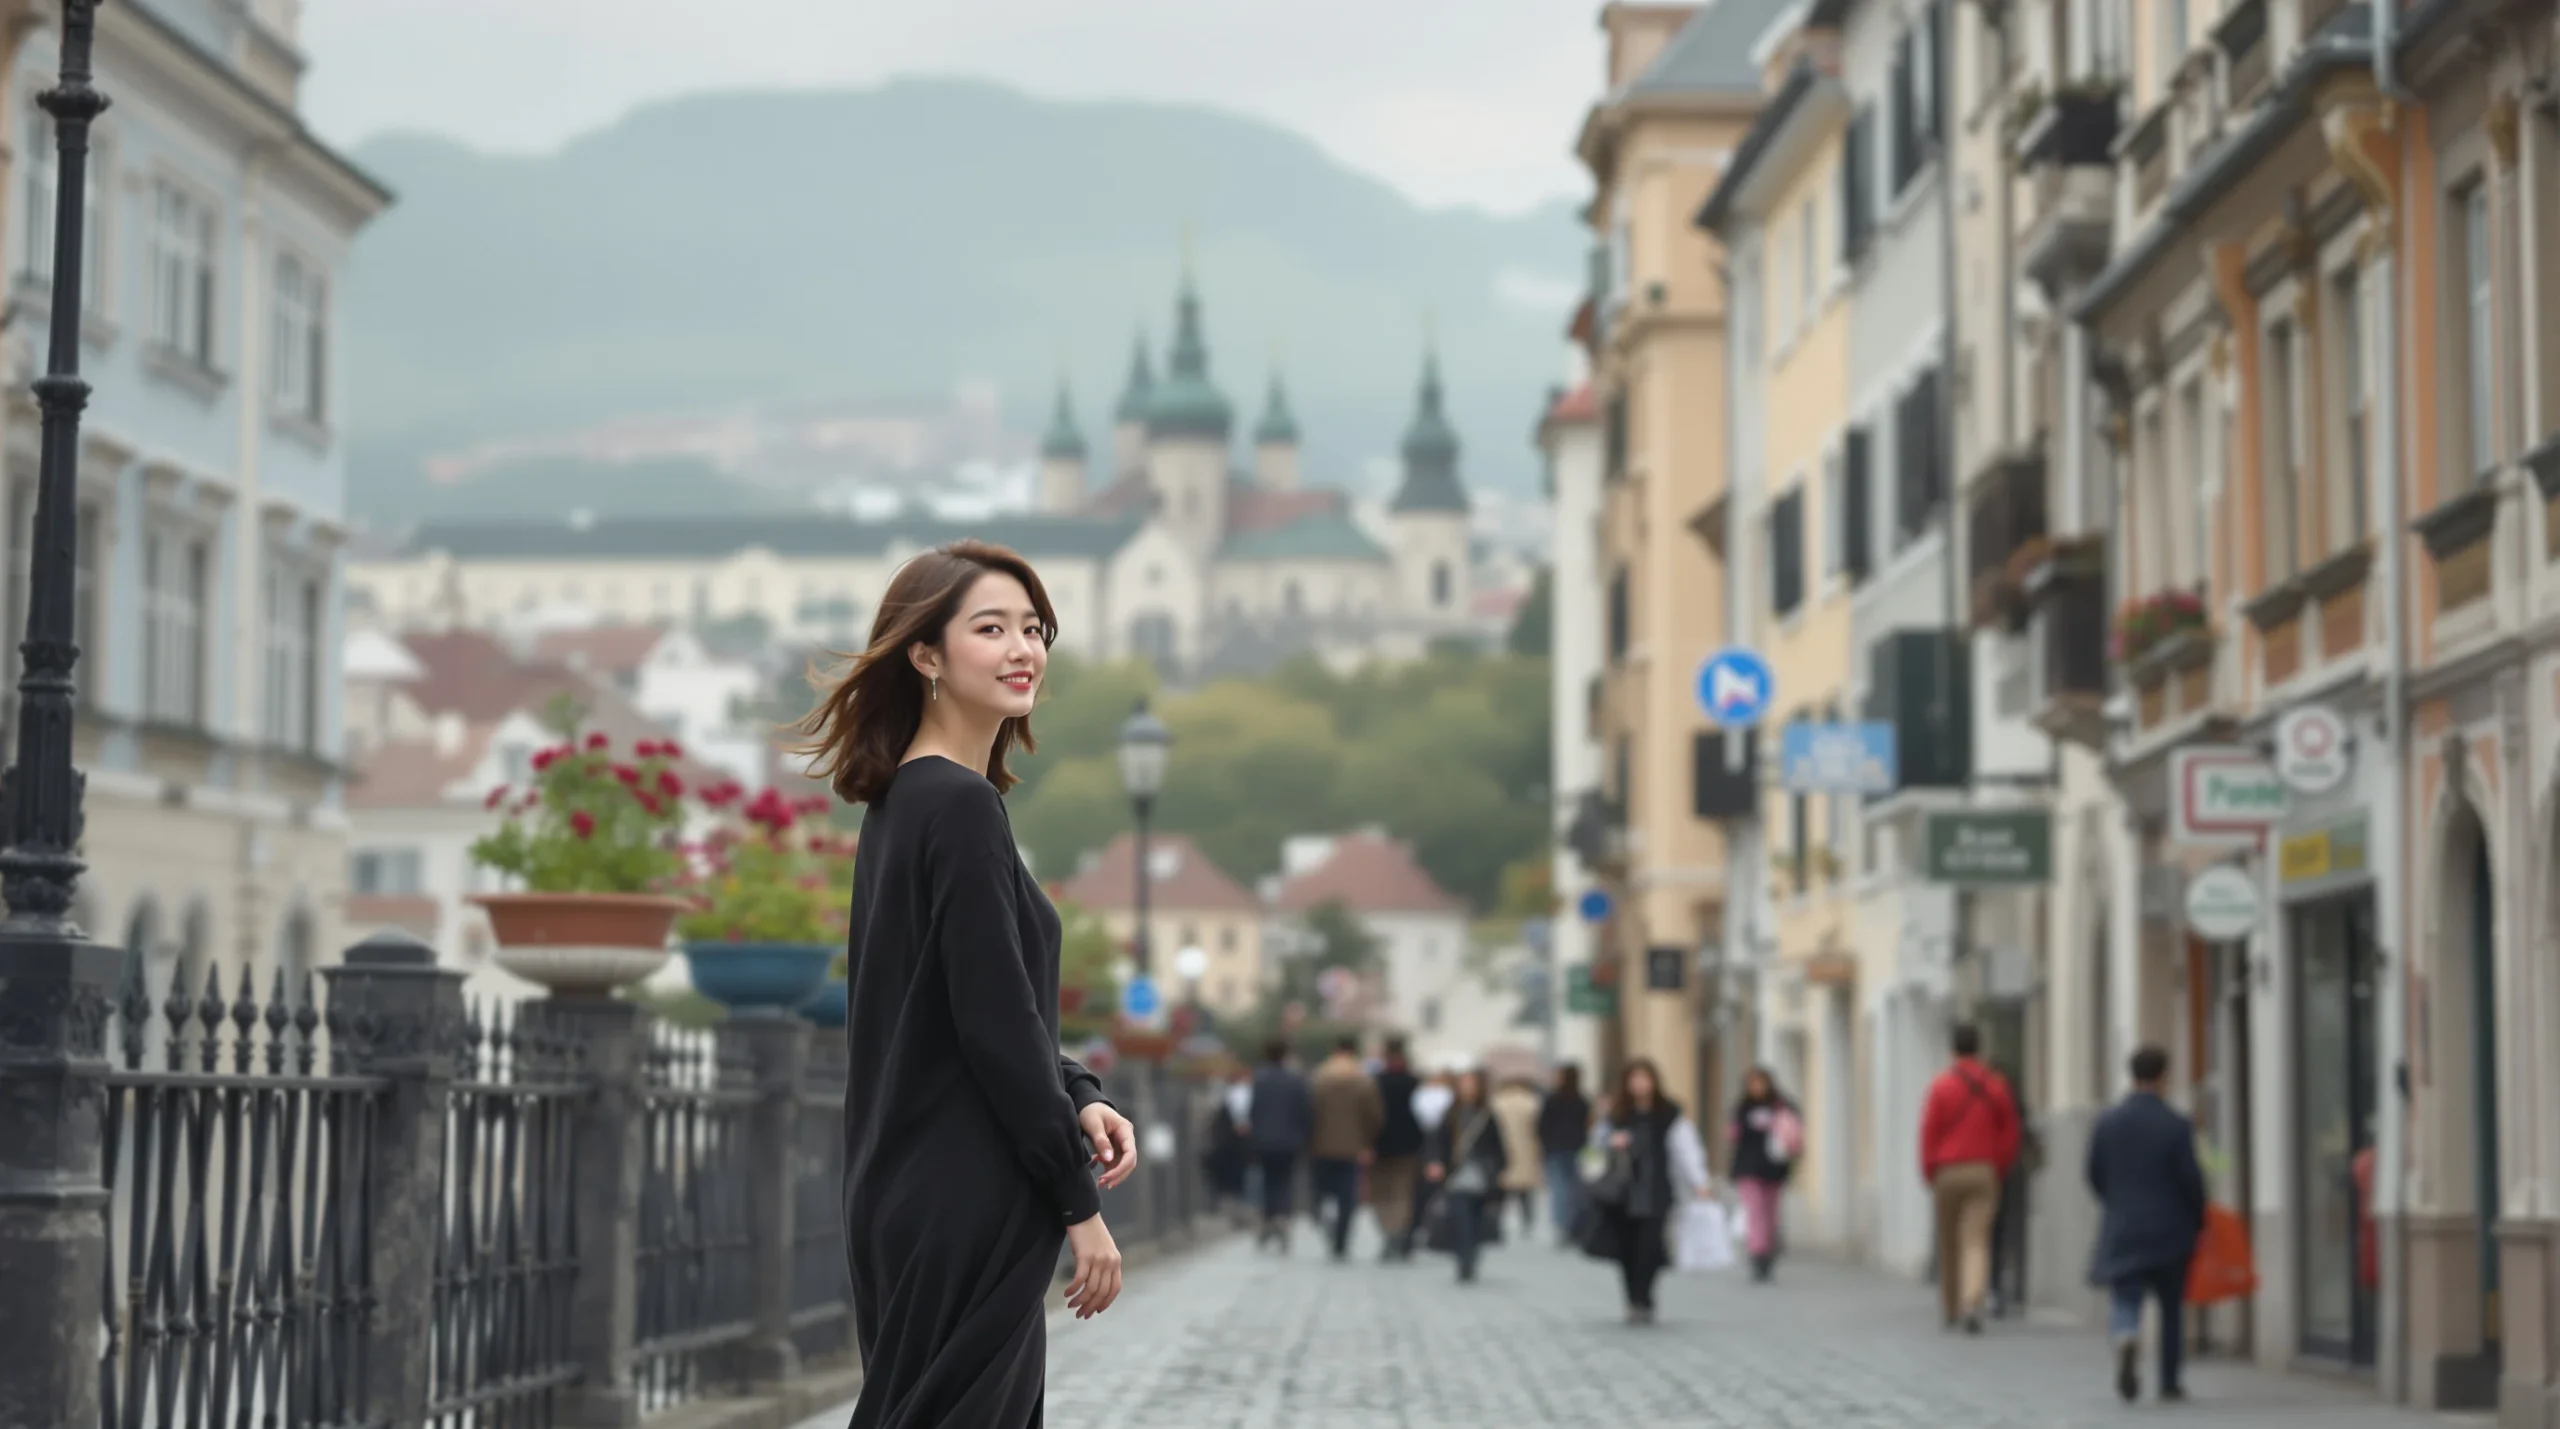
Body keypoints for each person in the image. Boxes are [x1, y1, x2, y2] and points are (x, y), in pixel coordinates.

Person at [802, 540, 1139, 1428]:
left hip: (914, 1188)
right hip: (961, 1193)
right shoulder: (954, 806)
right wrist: (1080, 1206)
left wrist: (1076, 1090)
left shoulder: (910, 803)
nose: (1022, 647)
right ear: (926, 654)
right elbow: (991, 1024)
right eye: (990, 628)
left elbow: (974, 1003)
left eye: (1033, 627)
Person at [2086, 1045, 2207, 1404]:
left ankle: (2125, 1335)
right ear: (2164, 1077)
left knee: (2126, 1297)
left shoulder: (2107, 1123)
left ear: (2131, 1075)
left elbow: (2093, 1173)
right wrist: (2198, 1219)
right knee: (2172, 1309)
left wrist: (2117, 1202)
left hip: (2124, 1226)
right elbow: (2190, 1179)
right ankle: (2169, 1382)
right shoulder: (2176, 1124)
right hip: (2170, 1231)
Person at [1590, 1058, 1710, 1324]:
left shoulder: (1668, 1114)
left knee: (1650, 1247)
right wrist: (1611, 1141)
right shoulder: (1617, 1114)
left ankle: (1645, 1296)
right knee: (1626, 1249)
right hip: (1620, 1194)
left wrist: (1699, 1182)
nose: (1639, 1084)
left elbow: (1685, 1149)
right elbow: (1594, 1147)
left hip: (1656, 1191)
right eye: (1634, 1078)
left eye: (1644, 1078)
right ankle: (1633, 1299)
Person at [1919, 1023, 2021, 1334]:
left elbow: (1928, 1132)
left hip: (1947, 1171)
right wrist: (1998, 1165)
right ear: (1979, 1049)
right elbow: (2011, 1130)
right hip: (1983, 1169)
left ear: (1953, 1050)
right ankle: (1972, 1301)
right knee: (1976, 1239)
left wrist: (1929, 1170)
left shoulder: (1941, 1086)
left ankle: (1951, 1308)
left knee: (1948, 1241)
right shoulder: (1996, 1085)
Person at [1424, 1068, 1508, 1283]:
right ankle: (1464, 1259)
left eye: (1471, 1083)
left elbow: (1498, 1148)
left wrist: (1498, 1171)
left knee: (1477, 1219)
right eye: (1463, 1083)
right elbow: (1437, 1141)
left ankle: (1470, 1255)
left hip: (1481, 1176)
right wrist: (1435, 1162)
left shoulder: (1487, 1114)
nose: (1467, 1088)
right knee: (1461, 1219)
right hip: (1456, 1175)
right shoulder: (1451, 1113)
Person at [1307, 1035, 1384, 1262]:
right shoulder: (1363, 1080)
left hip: (1320, 1146)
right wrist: (1368, 1142)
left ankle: (1323, 1222)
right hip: (1352, 1148)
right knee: (1346, 1198)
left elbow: (1307, 1112)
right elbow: (1375, 1116)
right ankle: (1341, 1240)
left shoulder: (1318, 1078)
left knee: (1320, 1192)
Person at [1728, 1066, 1799, 1282]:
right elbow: (1733, 1136)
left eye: (1760, 1083)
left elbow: (1794, 1133)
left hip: (1773, 1168)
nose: (1757, 1087)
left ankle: (1768, 1251)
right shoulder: (1742, 1108)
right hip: (1748, 1168)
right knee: (1754, 1211)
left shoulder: (1781, 1106)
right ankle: (1757, 1254)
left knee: (1770, 1213)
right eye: (1753, 1083)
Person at [1246, 1036, 1313, 1251]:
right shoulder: (1296, 1080)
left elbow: (1253, 1112)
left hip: (1264, 1141)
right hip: (1289, 1141)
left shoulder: (1260, 1080)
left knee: (1267, 1181)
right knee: (1284, 1181)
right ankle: (1282, 1219)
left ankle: (1268, 1219)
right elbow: (1305, 1113)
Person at [1369, 1037, 1427, 1261]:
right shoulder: (1414, 1082)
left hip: (1380, 1145)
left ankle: (1388, 1232)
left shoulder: (1376, 1082)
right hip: (1409, 1145)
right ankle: (1398, 1231)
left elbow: (1370, 1116)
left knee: (1381, 1194)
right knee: (1403, 1192)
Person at [1538, 1064, 1593, 1245]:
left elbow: (1541, 1125)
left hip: (1557, 1149)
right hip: (1575, 1148)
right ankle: (1570, 1226)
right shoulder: (1582, 1100)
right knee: (1573, 1190)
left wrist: (1545, 1145)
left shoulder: (1553, 1099)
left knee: (1559, 1190)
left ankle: (1562, 1227)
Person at [1490, 1075, 1543, 1236]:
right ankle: (1527, 1221)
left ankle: (1496, 1221)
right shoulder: (1532, 1102)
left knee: (1502, 1190)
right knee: (1525, 1191)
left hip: (1503, 1149)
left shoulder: (1496, 1102)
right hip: (1526, 1149)